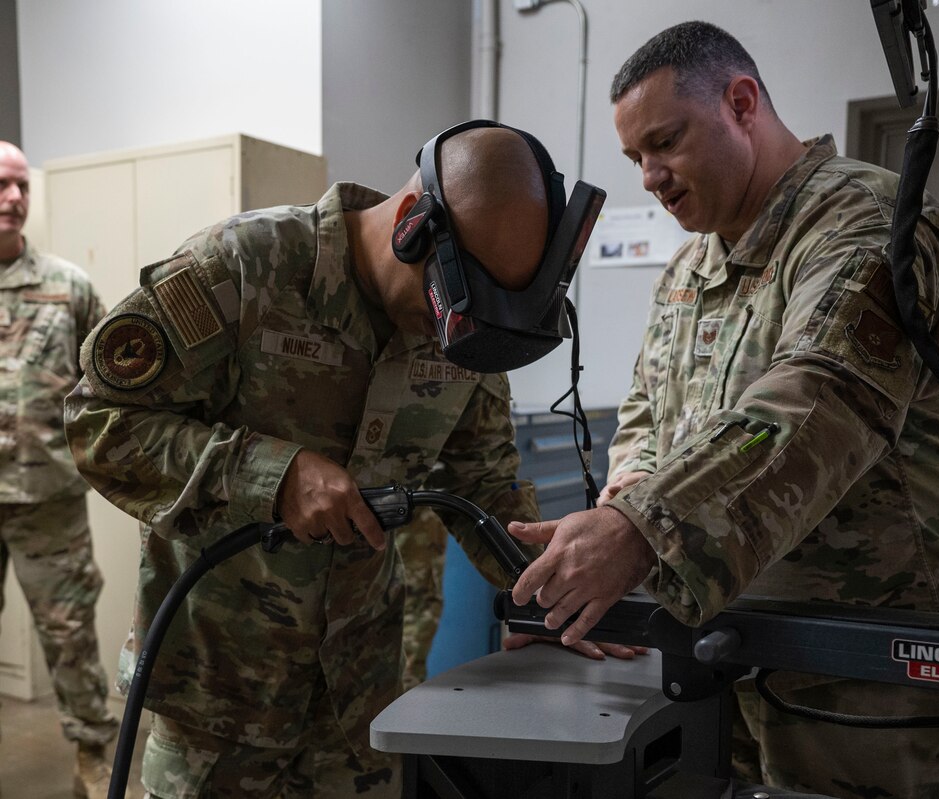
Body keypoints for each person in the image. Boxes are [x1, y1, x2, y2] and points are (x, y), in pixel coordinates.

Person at [507, 21, 939, 799]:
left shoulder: (869, 225)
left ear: (742, 102)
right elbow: (649, 412)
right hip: (736, 640)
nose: (650, 176)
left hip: (880, 651)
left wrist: (640, 531)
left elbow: (816, 399)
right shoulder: (691, 266)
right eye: (635, 159)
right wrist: (627, 499)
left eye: (666, 142)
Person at [63, 123, 636, 799]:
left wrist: (547, 601)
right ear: (409, 225)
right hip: (218, 704)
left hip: (358, 703)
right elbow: (100, 420)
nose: (447, 338)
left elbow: (481, 479)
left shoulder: (464, 327)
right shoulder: (246, 267)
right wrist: (269, 475)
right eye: (444, 309)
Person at [0, 141, 118, 799]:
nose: (14, 198)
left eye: (22, 186)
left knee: (70, 638)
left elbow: (108, 388)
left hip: (47, 499)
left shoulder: (68, 288)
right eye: (1, 185)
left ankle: (94, 756)